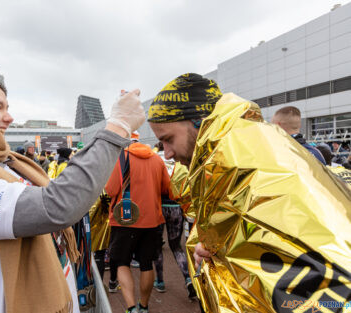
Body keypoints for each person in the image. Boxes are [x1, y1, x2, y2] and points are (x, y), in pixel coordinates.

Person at [0, 63, 145, 313]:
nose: (9, 117)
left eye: (7, 107)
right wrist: (117, 128)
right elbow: (55, 206)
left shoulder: (4, 163)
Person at [148, 73, 351, 312]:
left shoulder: (241, 157)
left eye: (168, 139)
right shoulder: (226, 157)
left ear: (199, 122)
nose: (168, 153)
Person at [106, 132, 170, 313]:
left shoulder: (122, 158)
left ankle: (131, 308)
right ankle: (144, 306)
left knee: (121, 262)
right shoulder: (157, 159)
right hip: (151, 219)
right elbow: (166, 187)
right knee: (146, 263)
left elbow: (110, 189)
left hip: (124, 219)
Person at [152, 142, 196, 300]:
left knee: (157, 247)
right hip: (176, 207)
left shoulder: (154, 159)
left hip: (158, 207)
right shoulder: (180, 164)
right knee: (176, 247)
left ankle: (160, 281)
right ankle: (188, 278)